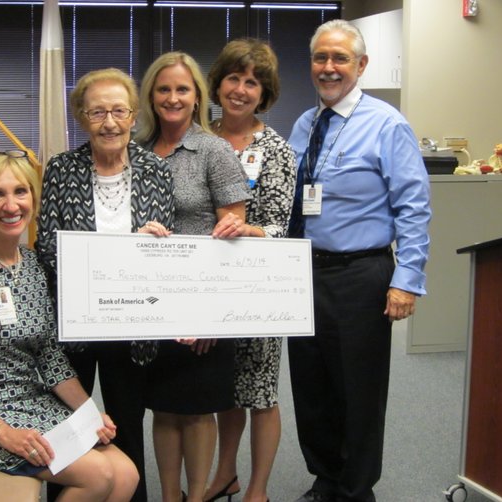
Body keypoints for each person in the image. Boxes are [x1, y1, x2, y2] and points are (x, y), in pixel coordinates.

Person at [0, 149, 139, 502]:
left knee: (128, 474)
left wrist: (90, 414)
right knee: (98, 476)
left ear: (33, 199)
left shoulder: (33, 266)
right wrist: (4, 432)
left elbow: (49, 356)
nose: (11, 205)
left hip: (28, 400)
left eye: (20, 192)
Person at [286, 20, 431, 502]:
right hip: (304, 272)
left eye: (340, 59)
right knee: (312, 387)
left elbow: (413, 205)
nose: (328, 68)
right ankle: (325, 477)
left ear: (361, 65)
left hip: (361, 274)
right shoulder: (304, 124)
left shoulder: (387, 124)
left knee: (358, 390)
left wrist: (407, 280)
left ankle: (356, 488)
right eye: (320, 58)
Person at [36, 68, 175, 502]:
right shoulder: (61, 169)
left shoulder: (155, 170)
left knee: (127, 426)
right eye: (98, 112)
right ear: (82, 116)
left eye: (118, 110)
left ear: (134, 115)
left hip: (131, 323)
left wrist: (154, 245)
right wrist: (118, 252)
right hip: (74, 321)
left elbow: (164, 250)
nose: (109, 122)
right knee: (69, 428)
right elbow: (47, 247)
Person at [134, 51, 252, 502]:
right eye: (163, 89)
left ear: (198, 96)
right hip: (152, 305)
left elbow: (234, 234)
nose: (172, 97)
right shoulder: (136, 150)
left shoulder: (215, 151)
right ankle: (170, 497)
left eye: (182, 89)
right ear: (150, 95)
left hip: (203, 306)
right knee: (163, 410)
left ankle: (198, 496)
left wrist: (210, 315)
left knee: (199, 411)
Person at [204, 39, 296, 502]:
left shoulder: (276, 149)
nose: (240, 90)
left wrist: (246, 229)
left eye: (252, 82)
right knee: (222, 387)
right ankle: (225, 473)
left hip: (256, 284)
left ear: (265, 93)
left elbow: (280, 226)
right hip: (203, 285)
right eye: (233, 78)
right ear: (217, 83)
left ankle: (257, 490)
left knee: (259, 390)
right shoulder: (197, 136)